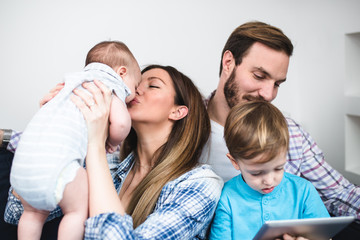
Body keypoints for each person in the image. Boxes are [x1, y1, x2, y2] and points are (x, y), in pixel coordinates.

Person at [5, 65, 223, 239]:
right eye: (137, 83)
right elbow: (16, 213)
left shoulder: (200, 183)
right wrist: (48, 131)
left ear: (178, 111)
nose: (135, 89)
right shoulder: (110, 166)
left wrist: (95, 144)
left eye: (153, 86)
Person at [202, 20, 360, 221]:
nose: (268, 95)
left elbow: (340, 194)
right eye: (259, 76)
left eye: (277, 84)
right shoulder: (182, 123)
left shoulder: (289, 131)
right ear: (228, 63)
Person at [9, 40, 142, 239]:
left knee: (32, 214)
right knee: (76, 211)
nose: (136, 91)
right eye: (137, 84)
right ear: (122, 73)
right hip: (59, 165)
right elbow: (122, 124)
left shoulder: (72, 82)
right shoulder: (108, 86)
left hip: (23, 166)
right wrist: (113, 141)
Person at [209, 101, 330, 240]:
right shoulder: (227, 198)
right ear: (235, 162)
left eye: (278, 168)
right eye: (256, 173)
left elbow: (325, 235)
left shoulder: (304, 191)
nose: (269, 181)